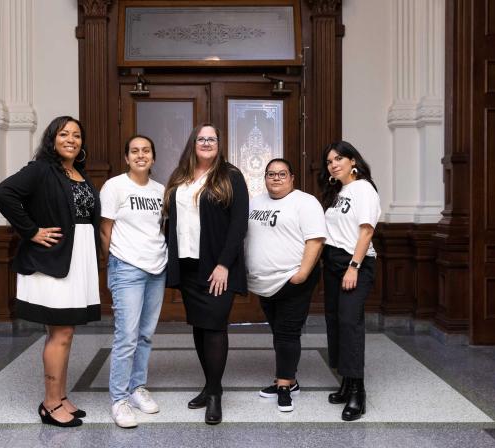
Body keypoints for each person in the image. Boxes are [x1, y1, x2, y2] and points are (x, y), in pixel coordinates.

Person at [0, 116, 101, 427]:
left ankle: (61, 396)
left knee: (65, 332)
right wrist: (30, 231)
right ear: (52, 139)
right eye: (64, 134)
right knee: (61, 332)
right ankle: (50, 404)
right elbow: (4, 193)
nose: (71, 139)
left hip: (76, 259)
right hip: (51, 260)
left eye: (77, 135)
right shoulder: (41, 169)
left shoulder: (78, 173)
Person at [163, 123, 249, 425]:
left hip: (216, 268)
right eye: (201, 138)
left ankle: (214, 396)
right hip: (188, 266)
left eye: (212, 139)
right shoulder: (180, 177)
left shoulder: (231, 176)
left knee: (214, 327)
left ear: (219, 144)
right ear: (193, 143)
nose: (207, 142)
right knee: (199, 327)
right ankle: (210, 385)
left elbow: (239, 224)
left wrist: (224, 264)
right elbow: (169, 221)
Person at [245, 158, 327, 413]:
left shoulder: (305, 202)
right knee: (279, 331)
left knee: (287, 333)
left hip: (293, 279)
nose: (276, 178)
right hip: (264, 282)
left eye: (282, 174)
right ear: (265, 178)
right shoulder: (254, 202)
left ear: (292, 177)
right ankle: (290, 380)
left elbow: (315, 240)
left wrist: (301, 274)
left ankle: (283, 387)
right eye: (271, 174)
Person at [99, 135, 167, 428]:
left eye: (146, 151)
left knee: (145, 334)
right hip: (126, 267)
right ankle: (119, 400)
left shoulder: (160, 190)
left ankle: (137, 387)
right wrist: (114, 263)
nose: (141, 155)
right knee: (126, 336)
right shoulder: (115, 186)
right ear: (126, 157)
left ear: (153, 157)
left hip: (157, 269)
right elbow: (105, 231)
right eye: (135, 151)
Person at [319, 141, 381, 421]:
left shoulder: (364, 188)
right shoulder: (338, 191)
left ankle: (358, 392)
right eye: (329, 161)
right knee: (334, 320)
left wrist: (353, 267)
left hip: (353, 262)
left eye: (339, 158)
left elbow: (366, 231)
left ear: (352, 160)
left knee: (349, 322)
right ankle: (345, 381)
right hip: (332, 263)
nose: (333, 164)